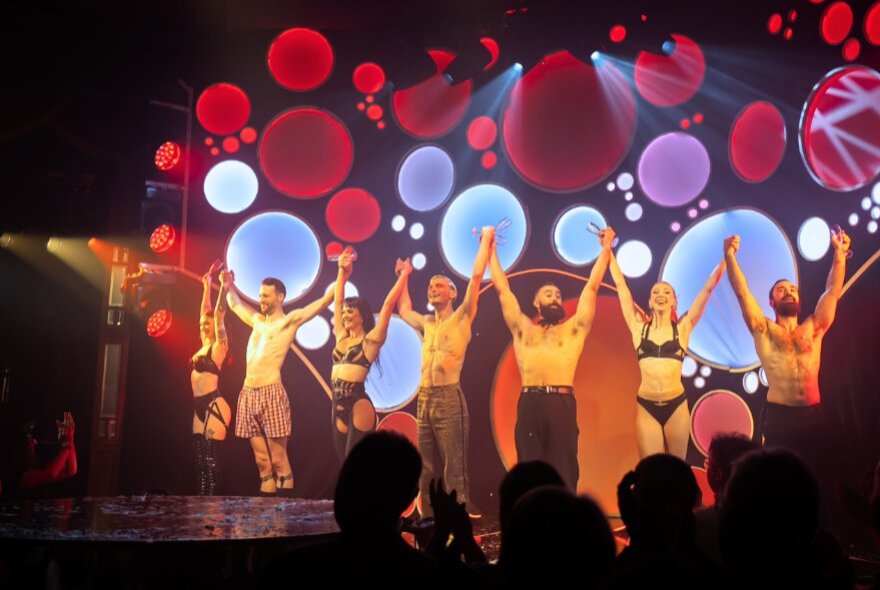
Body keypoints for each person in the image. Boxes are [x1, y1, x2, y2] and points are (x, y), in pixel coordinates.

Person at [488, 226, 614, 490]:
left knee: (564, 468)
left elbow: (591, 288)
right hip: (530, 402)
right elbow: (502, 290)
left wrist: (606, 250)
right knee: (528, 471)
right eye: (549, 294)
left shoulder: (573, 329)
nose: (555, 298)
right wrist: (491, 251)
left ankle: (565, 522)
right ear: (536, 302)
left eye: (558, 295)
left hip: (561, 403)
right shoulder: (523, 328)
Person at [723, 230, 850, 455]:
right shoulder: (763, 329)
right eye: (781, 290)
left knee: (819, 476)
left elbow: (832, 291)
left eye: (792, 289)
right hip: (780, 417)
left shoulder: (813, 327)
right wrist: (730, 256)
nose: (789, 292)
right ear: (772, 302)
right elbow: (742, 293)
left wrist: (839, 253)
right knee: (782, 480)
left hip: (814, 415)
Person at [397, 227, 493, 516]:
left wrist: (486, 243)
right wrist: (404, 276)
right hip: (424, 398)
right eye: (430, 286)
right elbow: (403, 309)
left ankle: (459, 512)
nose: (433, 289)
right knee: (424, 465)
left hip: (449, 398)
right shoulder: (427, 323)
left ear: (452, 293)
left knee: (454, 464)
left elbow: (476, 278)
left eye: (439, 285)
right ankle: (425, 516)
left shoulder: (462, 317)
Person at [223, 269, 333, 496]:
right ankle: (268, 517)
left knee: (279, 459)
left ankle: (283, 517)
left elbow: (321, 304)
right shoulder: (257, 321)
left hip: (271, 392)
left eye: (266, 295)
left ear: (279, 297)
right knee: (262, 462)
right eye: (260, 295)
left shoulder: (288, 322)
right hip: (247, 393)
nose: (261, 299)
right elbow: (234, 305)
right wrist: (228, 285)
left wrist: (342, 273)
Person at [607, 252, 725, 458]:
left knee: (677, 469)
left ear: (673, 302)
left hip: (676, 405)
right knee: (650, 469)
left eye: (666, 292)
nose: (661, 294)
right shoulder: (638, 328)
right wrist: (607, 249)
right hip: (646, 406)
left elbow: (708, 289)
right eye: (656, 292)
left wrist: (727, 256)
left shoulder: (683, 328)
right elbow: (620, 285)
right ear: (650, 302)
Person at [329, 248, 409, 459]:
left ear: (361, 316)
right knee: (344, 463)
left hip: (358, 403)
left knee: (356, 463)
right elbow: (337, 302)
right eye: (344, 312)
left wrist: (403, 276)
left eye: (350, 311)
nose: (344, 315)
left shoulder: (371, 341)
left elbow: (388, 304)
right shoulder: (341, 337)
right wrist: (341, 273)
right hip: (337, 403)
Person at [190, 264, 232, 495]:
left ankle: (213, 514)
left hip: (215, 405)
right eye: (201, 325)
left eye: (207, 324)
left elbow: (216, 315)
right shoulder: (202, 347)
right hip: (198, 407)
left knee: (211, 464)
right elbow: (204, 312)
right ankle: (201, 510)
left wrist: (223, 288)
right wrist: (206, 285)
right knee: (200, 464)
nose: (203, 326)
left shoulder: (218, 347)